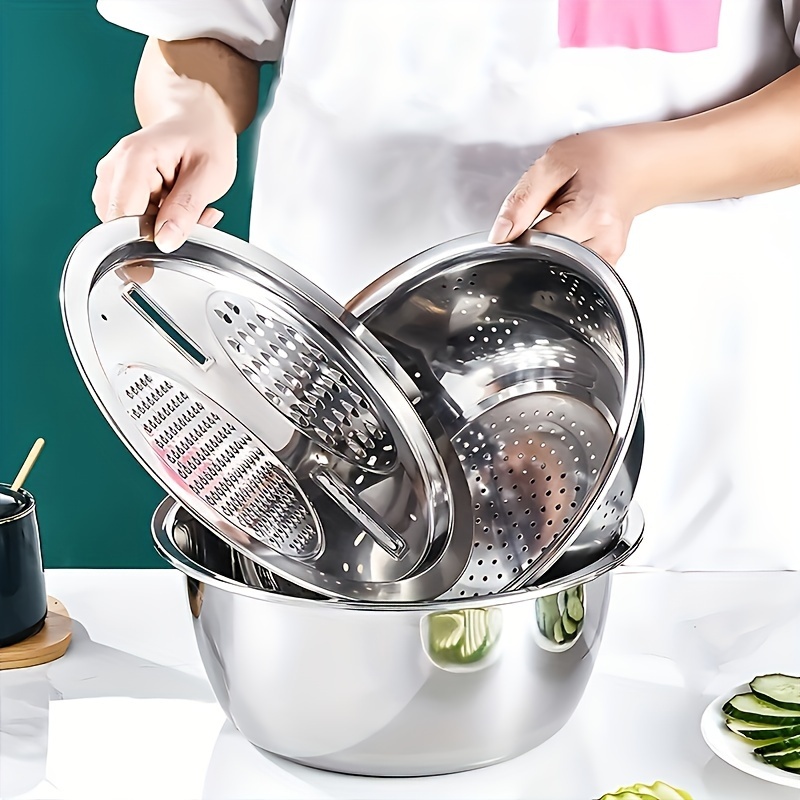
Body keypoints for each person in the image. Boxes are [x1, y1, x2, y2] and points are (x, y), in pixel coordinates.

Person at [93, 0, 800, 572]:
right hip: (338, 375)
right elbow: (201, 29)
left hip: (685, 374)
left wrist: (652, 168)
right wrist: (193, 114)